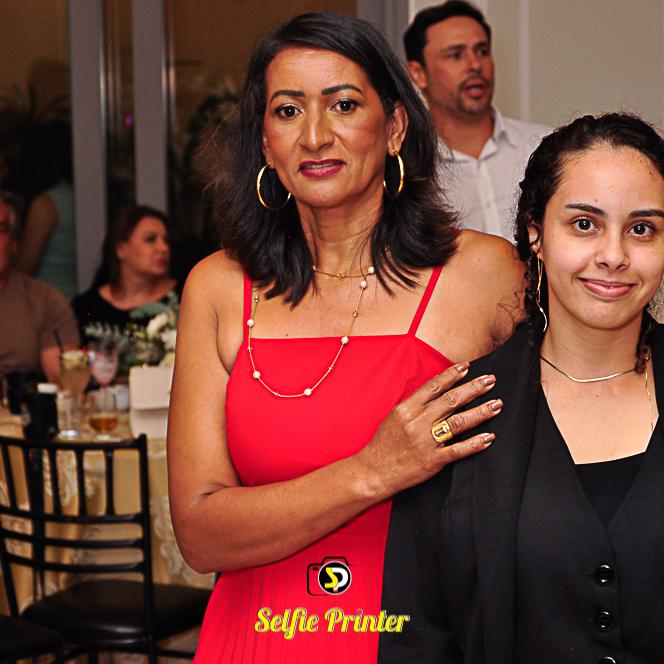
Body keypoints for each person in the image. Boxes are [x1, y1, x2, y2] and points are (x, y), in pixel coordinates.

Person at [167, 11, 524, 663]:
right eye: (287, 111)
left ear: (395, 127)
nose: (315, 136)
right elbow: (198, 534)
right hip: (258, 638)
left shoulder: (482, 275)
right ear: (265, 142)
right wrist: (371, 472)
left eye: (343, 104)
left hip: (418, 639)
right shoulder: (217, 287)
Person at [380, 113, 664, 663]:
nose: (614, 255)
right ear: (536, 232)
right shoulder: (460, 413)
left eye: (642, 229)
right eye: (584, 224)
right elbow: (414, 637)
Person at [403, 1, 550, 240]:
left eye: (482, 51)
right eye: (456, 55)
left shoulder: (544, 146)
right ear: (418, 74)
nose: (475, 65)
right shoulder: (408, 164)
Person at [0, 195, 79, 385]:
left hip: (20, 402)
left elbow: (66, 383)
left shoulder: (45, 300)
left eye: (0, 229)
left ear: (14, 244)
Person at [71, 205, 177, 345]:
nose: (164, 248)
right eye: (150, 239)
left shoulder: (182, 296)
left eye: (166, 241)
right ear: (121, 249)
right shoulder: (86, 307)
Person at [14, 121, 77, 297]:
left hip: (47, 302)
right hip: (71, 296)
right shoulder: (77, 197)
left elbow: (25, 267)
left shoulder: (46, 204)